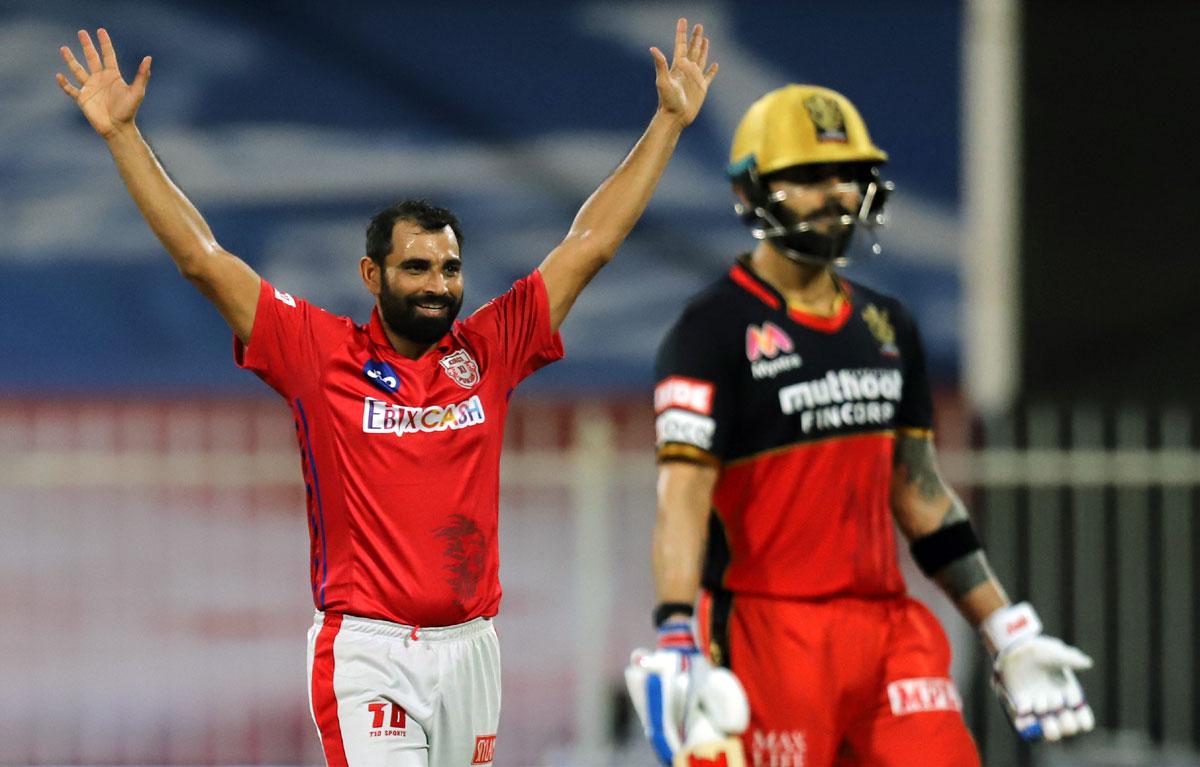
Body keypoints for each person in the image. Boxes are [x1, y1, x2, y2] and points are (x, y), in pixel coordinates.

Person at [56, 21, 717, 767]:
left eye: (449, 268)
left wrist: (666, 123)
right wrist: (122, 138)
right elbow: (202, 260)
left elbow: (589, 242)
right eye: (417, 268)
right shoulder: (317, 351)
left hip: (473, 650)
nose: (438, 286)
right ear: (373, 276)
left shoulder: (489, 348)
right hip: (368, 651)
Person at [629, 84, 1094, 767]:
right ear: (752, 191)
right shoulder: (712, 330)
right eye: (808, 177)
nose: (835, 193)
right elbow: (682, 499)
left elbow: (921, 493)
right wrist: (676, 632)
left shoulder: (888, 325)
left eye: (848, 175)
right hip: (765, 633)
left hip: (886, 630)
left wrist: (1004, 627)